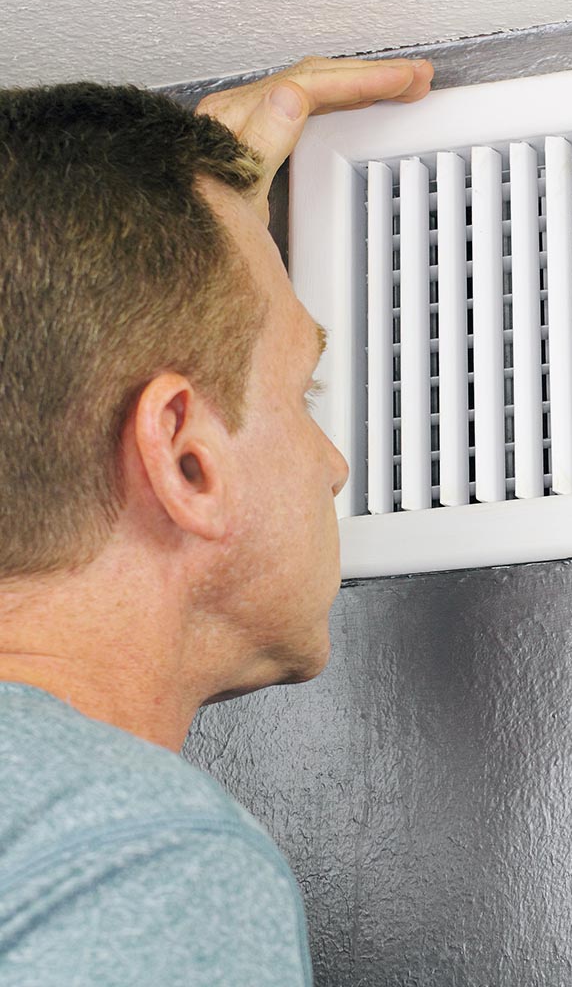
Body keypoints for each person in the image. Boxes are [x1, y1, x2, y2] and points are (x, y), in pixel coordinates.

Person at [0, 55, 434, 985]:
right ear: (188, 458)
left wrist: (173, 247)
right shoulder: (132, 862)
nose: (334, 466)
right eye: (302, 391)